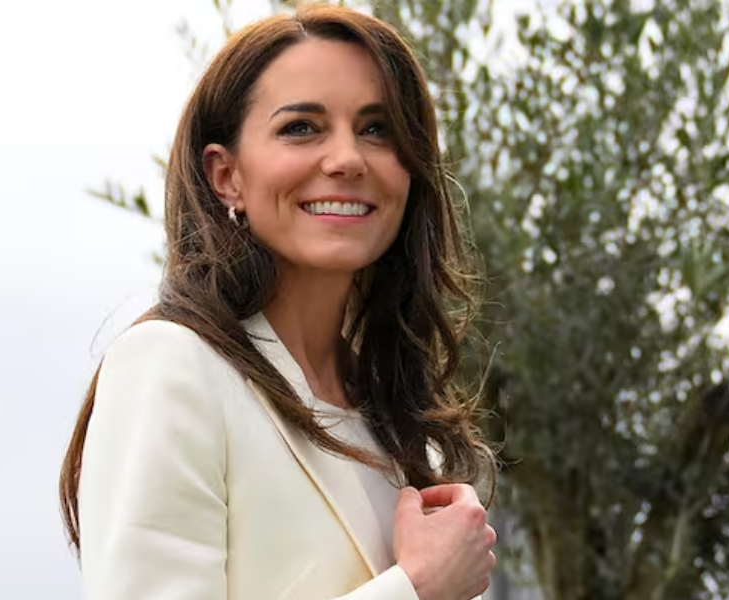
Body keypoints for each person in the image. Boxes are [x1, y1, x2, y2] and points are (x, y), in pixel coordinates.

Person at [59, 5, 498, 600]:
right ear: (226, 176)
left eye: (377, 129)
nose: (347, 159)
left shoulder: (403, 425)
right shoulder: (170, 365)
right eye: (301, 128)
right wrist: (417, 588)